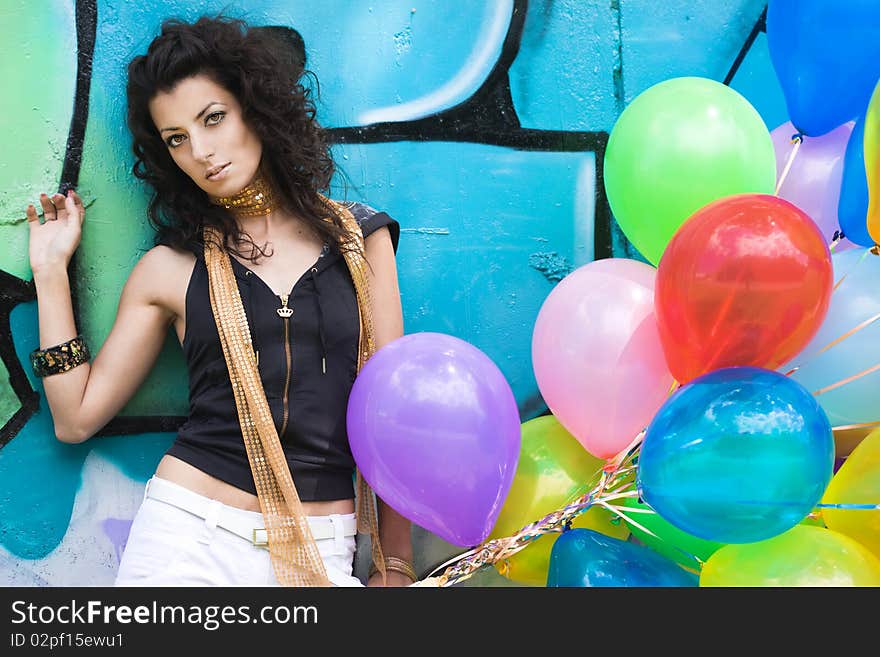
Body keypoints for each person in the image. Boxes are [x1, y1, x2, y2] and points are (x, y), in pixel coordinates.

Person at [24, 14, 414, 587]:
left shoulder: (361, 240)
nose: (201, 152)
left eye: (214, 119)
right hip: (187, 538)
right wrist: (51, 271)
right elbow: (75, 417)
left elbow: (393, 412)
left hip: (322, 547)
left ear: (254, 107)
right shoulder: (170, 268)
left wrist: (396, 563)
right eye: (177, 139)